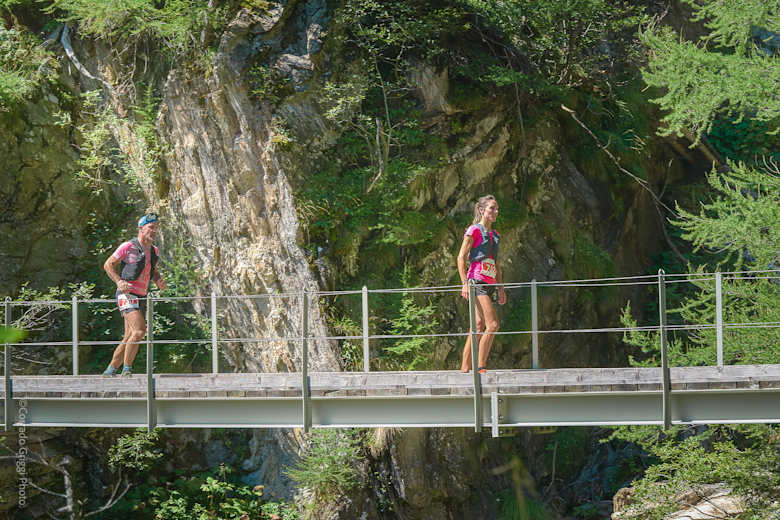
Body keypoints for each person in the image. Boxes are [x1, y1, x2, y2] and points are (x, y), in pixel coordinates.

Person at [102, 213, 166, 376]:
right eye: (151, 228)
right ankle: (127, 370)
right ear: (141, 228)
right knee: (139, 331)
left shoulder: (154, 250)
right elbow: (108, 265)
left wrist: (158, 280)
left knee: (129, 336)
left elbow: (153, 271)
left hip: (142, 295)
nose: (154, 231)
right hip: (126, 294)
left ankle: (110, 371)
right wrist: (119, 281)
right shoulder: (127, 246)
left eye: (156, 228)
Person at [457, 195, 507, 373]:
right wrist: (464, 283)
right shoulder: (474, 230)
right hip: (476, 281)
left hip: (490, 282)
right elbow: (461, 258)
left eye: (497, 208)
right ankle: (481, 366)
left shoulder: (495, 235)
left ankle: (465, 368)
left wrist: (500, 288)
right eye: (492, 208)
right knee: (492, 324)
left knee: (478, 326)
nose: (495, 211)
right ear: (481, 210)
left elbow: (496, 264)